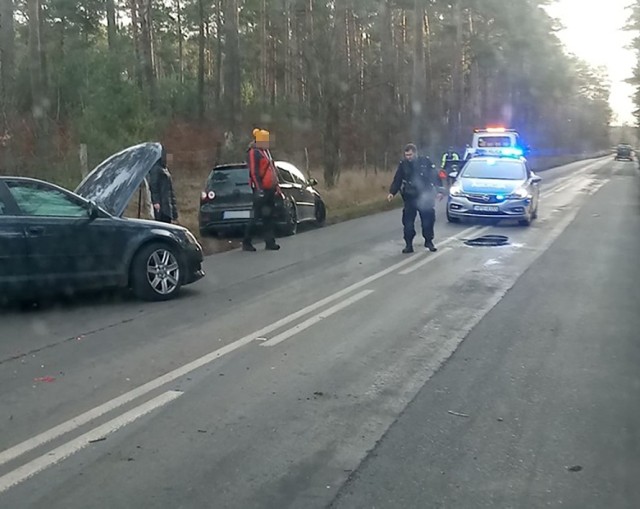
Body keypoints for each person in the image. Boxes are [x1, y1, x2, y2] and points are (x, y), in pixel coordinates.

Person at [387, 143, 444, 253]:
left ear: (415, 153)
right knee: (408, 223)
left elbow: (434, 176)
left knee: (428, 220)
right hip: (410, 198)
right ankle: (408, 245)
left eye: (410, 155)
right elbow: (397, 179)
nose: (408, 157)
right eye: (406, 155)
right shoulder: (403, 164)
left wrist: (439, 191)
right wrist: (392, 192)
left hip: (425, 196)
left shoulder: (425, 162)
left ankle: (429, 241)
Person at [243, 128, 282, 252]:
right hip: (261, 190)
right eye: (266, 140)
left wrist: (276, 186)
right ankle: (247, 241)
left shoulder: (266, 152)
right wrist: (259, 189)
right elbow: (254, 172)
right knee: (256, 216)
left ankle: (270, 242)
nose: (268, 142)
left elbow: (272, 170)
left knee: (269, 216)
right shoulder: (254, 152)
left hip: (269, 189)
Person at [148, 149, 178, 224]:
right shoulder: (156, 169)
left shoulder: (164, 168)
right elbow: (154, 186)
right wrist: (156, 201)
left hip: (167, 202)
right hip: (162, 204)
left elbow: (170, 190)